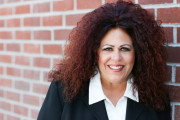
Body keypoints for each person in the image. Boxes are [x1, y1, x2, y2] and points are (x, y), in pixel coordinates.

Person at [37, 0, 171, 120]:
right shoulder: (64, 91)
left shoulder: (156, 98)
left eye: (125, 48)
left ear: (138, 53)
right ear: (94, 52)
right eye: (108, 49)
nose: (116, 58)